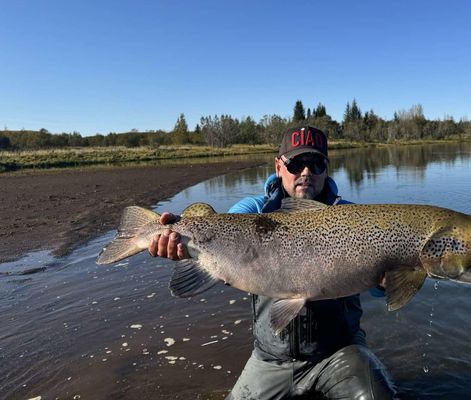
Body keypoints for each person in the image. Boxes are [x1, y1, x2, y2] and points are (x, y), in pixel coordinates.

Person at [149, 126, 396, 399]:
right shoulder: (252, 211)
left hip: (339, 352)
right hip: (271, 359)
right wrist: (181, 242)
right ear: (279, 166)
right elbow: (218, 239)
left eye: (315, 164)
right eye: (296, 163)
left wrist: (389, 280)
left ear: (326, 170)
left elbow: (375, 290)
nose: (306, 172)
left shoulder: (352, 218)